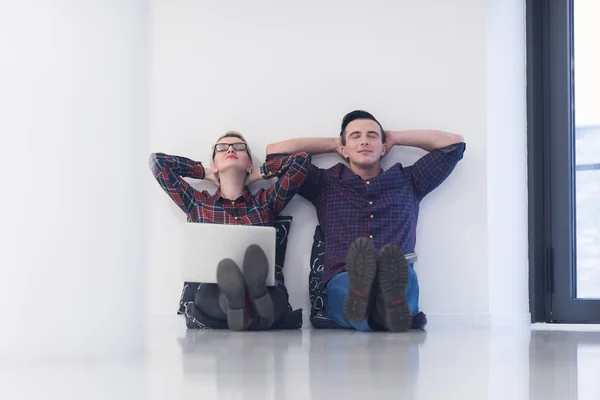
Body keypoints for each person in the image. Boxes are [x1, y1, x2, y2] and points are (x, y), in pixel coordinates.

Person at [266, 110, 465, 332]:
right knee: (350, 290)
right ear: (344, 150)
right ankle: (383, 313)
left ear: (383, 148)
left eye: (372, 136)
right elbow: (275, 155)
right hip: (346, 276)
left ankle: (385, 310)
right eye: (355, 136)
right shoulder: (325, 184)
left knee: (402, 276)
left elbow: (453, 146)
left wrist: (395, 138)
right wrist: (334, 143)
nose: (364, 141)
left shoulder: (409, 180)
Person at [149, 131, 311, 331]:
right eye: (222, 148)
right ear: (214, 163)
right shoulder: (198, 203)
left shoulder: (266, 202)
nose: (231, 149)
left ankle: (242, 307)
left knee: (277, 295)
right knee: (206, 294)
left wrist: (259, 173)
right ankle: (247, 310)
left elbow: (302, 162)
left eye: (239, 147)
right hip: (215, 287)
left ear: (249, 164)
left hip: (264, 287)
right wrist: (205, 172)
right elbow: (157, 163)